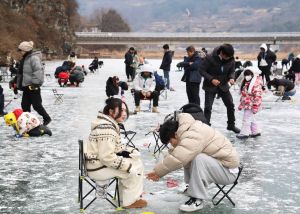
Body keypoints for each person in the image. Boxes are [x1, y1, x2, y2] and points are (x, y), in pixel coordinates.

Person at [146, 113, 240, 212]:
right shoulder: (188, 130)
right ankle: (191, 188)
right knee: (191, 156)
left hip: (228, 172)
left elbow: (179, 158)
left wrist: (158, 172)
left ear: (173, 134)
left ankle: (197, 199)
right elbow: (178, 155)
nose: (171, 144)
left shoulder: (193, 134)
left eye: (170, 141)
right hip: (219, 166)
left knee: (198, 158)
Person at [84, 98, 147, 209]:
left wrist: (129, 151)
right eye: (121, 110)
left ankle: (124, 198)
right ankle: (129, 201)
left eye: (125, 110)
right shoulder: (107, 129)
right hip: (98, 168)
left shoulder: (107, 124)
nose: (124, 113)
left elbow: (113, 148)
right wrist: (127, 166)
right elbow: (107, 157)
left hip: (96, 164)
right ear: (111, 112)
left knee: (135, 161)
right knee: (135, 166)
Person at [200, 44, 240, 133]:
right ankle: (206, 127)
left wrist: (232, 77)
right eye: (227, 57)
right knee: (208, 107)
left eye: (230, 57)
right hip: (210, 85)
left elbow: (232, 71)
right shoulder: (210, 58)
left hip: (224, 85)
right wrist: (211, 79)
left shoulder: (231, 59)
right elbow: (201, 70)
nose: (229, 59)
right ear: (222, 53)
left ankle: (231, 125)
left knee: (230, 104)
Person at [16, 41, 51, 126]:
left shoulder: (34, 58)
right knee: (24, 105)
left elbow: (38, 71)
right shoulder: (25, 58)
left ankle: (47, 118)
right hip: (26, 86)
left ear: (26, 50)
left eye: (21, 50)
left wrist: (35, 83)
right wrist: (15, 82)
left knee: (37, 105)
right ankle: (28, 121)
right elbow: (21, 73)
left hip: (33, 86)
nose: (20, 52)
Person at [237, 67, 263, 139]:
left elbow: (258, 97)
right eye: (245, 75)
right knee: (252, 119)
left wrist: (255, 106)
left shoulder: (255, 84)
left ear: (253, 75)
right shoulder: (247, 83)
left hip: (251, 105)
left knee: (246, 119)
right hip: (247, 104)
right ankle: (255, 132)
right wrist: (241, 105)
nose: (246, 76)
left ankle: (244, 133)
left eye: (248, 75)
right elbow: (245, 96)